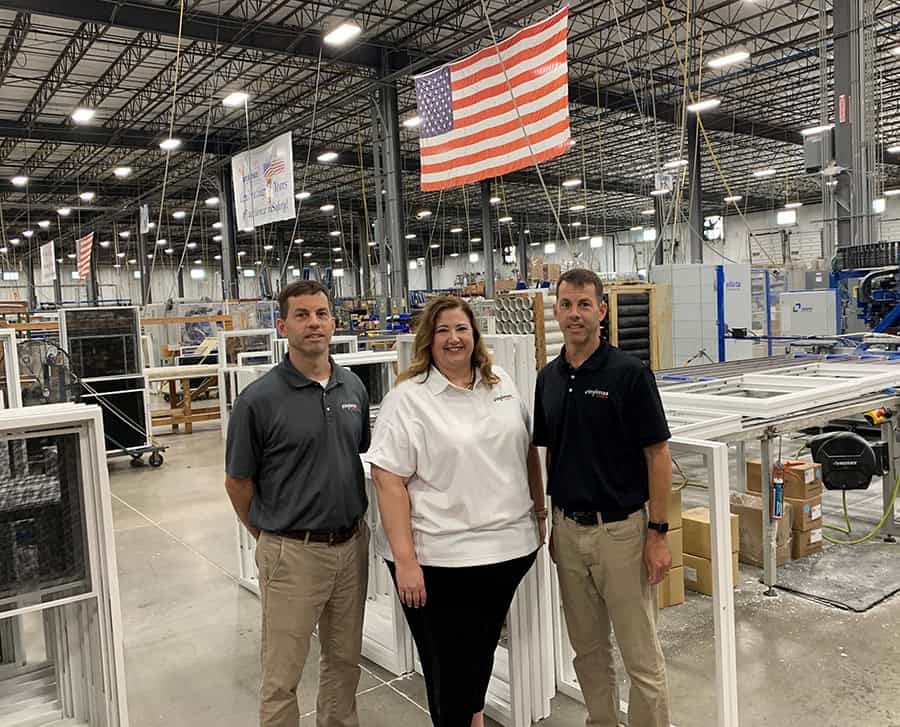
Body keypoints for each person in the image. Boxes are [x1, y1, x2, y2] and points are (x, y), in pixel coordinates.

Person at [366, 296, 545, 727]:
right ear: (429, 339)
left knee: (477, 658)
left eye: (461, 329)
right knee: (449, 672)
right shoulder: (408, 398)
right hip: (439, 561)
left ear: (474, 335)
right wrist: (406, 560)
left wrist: (539, 512)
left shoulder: (499, 382)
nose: (453, 338)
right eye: (443, 330)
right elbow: (387, 479)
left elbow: (525, 451)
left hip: (506, 552)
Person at [224, 280, 371, 727]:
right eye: (303, 315)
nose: (314, 324)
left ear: (333, 321)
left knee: (344, 664)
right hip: (292, 553)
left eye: (322, 314)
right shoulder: (258, 400)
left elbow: (357, 452)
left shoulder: (353, 388)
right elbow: (238, 483)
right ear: (283, 324)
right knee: (282, 676)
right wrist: (271, 536)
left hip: (351, 548)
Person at [534, 268, 673, 727]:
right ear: (556, 311)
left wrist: (657, 533)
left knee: (640, 656)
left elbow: (657, 455)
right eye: (567, 305)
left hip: (622, 533)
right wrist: (554, 523)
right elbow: (554, 452)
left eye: (584, 305)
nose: (575, 314)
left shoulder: (629, 374)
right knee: (588, 652)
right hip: (569, 534)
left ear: (602, 311)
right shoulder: (548, 379)